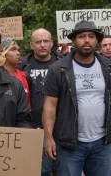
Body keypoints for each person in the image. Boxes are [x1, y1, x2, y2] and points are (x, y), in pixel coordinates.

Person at [43, 20, 111, 176]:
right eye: (81, 36)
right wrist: (48, 139)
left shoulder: (107, 67)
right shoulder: (58, 69)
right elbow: (49, 107)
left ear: (97, 41)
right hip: (69, 144)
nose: (87, 40)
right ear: (73, 40)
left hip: (103, 143)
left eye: (91, 36)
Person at [17, 28, 61, 176]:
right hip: (31, 126)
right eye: (38, 42)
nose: (42, 45)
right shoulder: (21, 66)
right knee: (39, 170)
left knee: (61, 169)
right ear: (31, 44)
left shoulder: (63, 64)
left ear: (52, 43)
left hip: (60, 127)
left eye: (46, 41)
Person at [0, 38, 30, 107]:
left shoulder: (25, 76)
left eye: (18, 50)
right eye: (13, 49)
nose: (18, 53)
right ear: (3, 53)